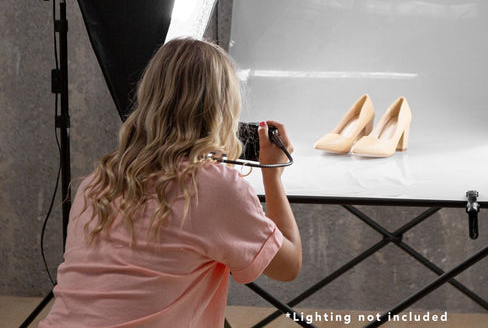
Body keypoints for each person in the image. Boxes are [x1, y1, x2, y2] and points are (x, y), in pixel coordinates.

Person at [40, 38, 301, 327]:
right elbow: (288, 266)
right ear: (222, 109)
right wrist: (272, 175)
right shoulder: (215, 187)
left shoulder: (97, 182)